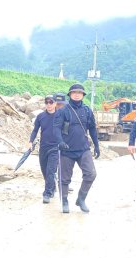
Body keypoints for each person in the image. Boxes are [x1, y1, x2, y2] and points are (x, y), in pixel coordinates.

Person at [53, 83, 100, 213]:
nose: (77, 94)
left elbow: (92, 129)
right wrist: (60, 141)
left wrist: (96, 145)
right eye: (74, 92)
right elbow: (56, 128)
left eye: (80, 92)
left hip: (83, 149)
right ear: (70, 95)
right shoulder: (63, 111)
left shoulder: (87, 110)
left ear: (83, 95)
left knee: (91, 174)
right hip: (66, 149)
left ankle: (81, 199)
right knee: (64, 179)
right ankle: (65, 201)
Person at [28, 95, 60, 203]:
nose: (49, 105)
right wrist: (30, 142)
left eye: (51, 102)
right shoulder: (40, 116)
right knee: (45, 171)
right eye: (47, 102)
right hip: (43, 148)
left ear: (55, 103)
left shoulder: (60, 116)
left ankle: (47, 194)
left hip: (55, 148)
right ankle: (52, 187)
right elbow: (35, 130)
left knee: (50, 171)